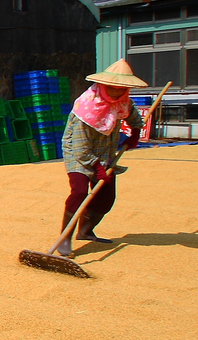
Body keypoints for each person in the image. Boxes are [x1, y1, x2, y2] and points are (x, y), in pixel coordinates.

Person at [58, 59, 146, 255]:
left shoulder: (123, 102)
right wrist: (97, 168)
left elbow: (133, 116)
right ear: (104, 85)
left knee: (106, 197)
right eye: (113, 87)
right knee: (80, 192)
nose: (117, 92)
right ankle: (64, 238)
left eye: (121, 88)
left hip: (105, 151)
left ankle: (86, 230)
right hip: (78, 152)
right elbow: (80, 147)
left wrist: (134, 134)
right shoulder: (87, 106)